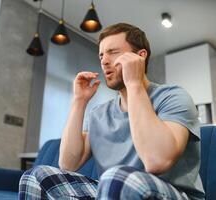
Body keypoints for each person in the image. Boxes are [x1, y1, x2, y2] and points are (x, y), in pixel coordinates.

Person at [19, 23, 205, 200]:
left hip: (173, 194)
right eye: (101, 56)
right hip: (113, 189)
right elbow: (68, 164)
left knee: (118, 177)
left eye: (113, 53)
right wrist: (79, 101)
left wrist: (134, 84)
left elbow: (158, 161)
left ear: (140, 56)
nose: (104, 61)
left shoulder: (173, 96)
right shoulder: (99, 114)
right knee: (37, 176)